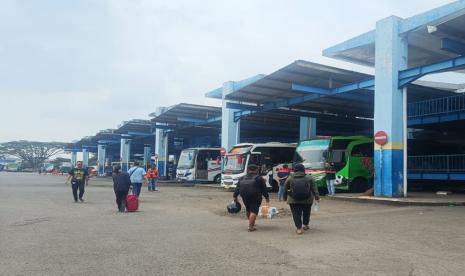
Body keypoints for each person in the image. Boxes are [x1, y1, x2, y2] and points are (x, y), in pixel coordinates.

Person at [284, 163, 320, 235]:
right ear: (303, 169)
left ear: (294, 170)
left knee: (296, 214)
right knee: (306, 212)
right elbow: (314, 189)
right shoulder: (309, 178)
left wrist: (285, 198)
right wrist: (317, 197)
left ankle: (299, 229)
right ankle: (305, 225)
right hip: (307, 199)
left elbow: (285, 188)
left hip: (293, 200)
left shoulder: (290, 178)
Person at [233, 165, 270, 232]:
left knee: (248, 209)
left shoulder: (242, 178)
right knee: (254, 210)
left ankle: (251, 222)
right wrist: (267, 197)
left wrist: (235, 196)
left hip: (244, 195)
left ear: (248, 169)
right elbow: (264, 189)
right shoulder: (259, 178)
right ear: (256, 170)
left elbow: (237, 188)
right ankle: (250, 227)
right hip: (255, 196)